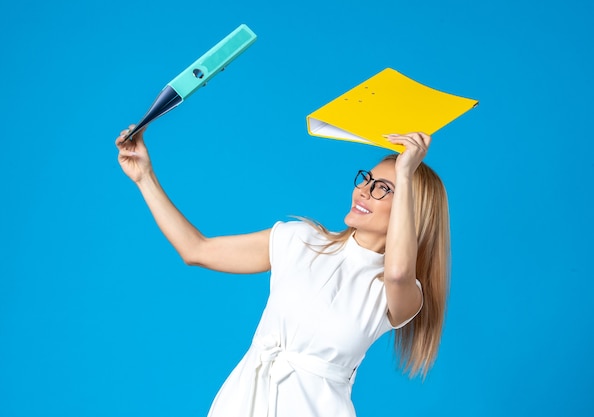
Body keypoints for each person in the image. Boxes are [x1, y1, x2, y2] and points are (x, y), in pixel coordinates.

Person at [115, 126, 450, 417]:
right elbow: (196, 250)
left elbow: (398, 273)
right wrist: (145, 177)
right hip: (241, 404)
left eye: (384, 189)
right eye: (367, 179)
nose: (364, 190)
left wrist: (406, 173)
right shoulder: (299, 240)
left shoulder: (400, 295)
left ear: (411, 210)